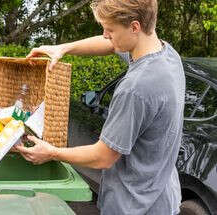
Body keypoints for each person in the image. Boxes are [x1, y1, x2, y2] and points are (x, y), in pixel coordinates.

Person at [15, 0, 185, 214]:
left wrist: (52, 152)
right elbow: (111, 45)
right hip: (163, 200)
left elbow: (103, 156)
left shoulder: (136, 88)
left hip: (133, 206)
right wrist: (64, 48)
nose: (105, 35)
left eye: (110, 29)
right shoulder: (167, 55)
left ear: (135, 27)